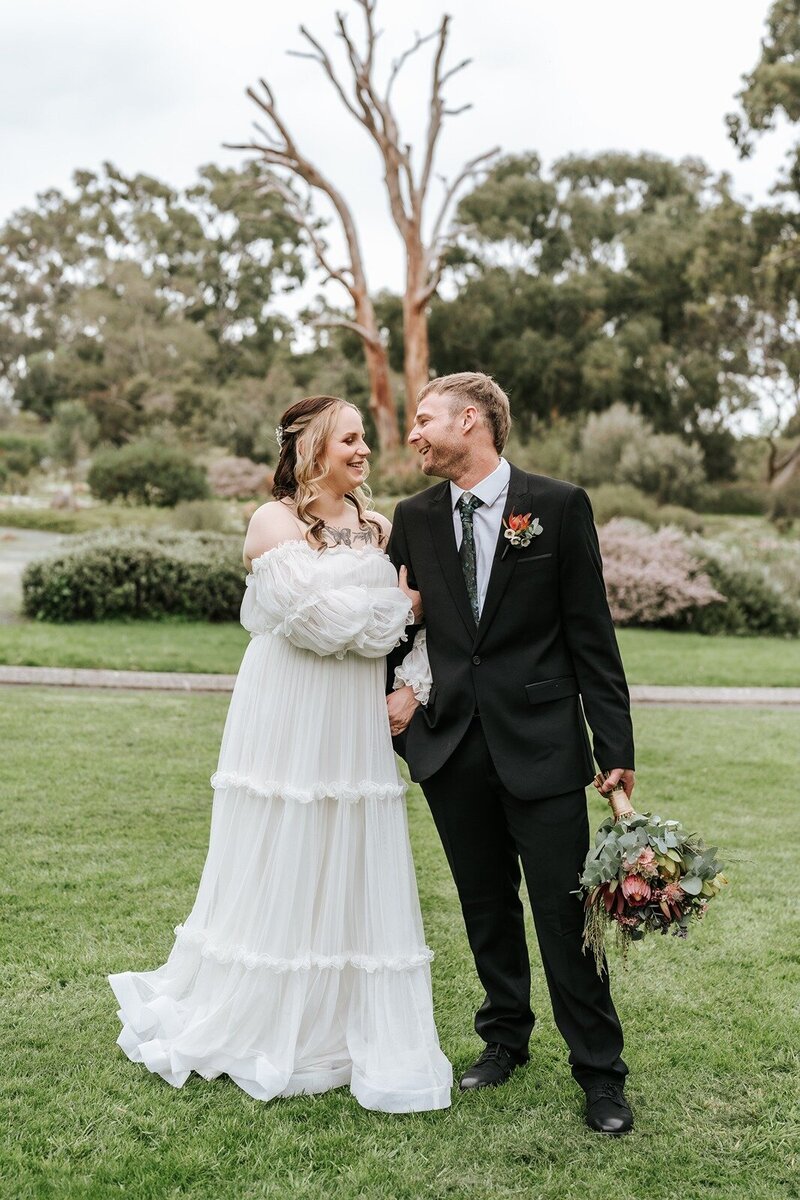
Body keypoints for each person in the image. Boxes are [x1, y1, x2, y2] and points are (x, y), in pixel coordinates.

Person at [109, 394, 452, 1113]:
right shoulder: (272, 522)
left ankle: (335, 1011)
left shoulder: (379, 525)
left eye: (364, 439)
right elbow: (316, 623)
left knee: (344, 846)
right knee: (283, 837)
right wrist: (402, 609)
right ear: (313, 449)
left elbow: (417, 625)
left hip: (352, 717)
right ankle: (266, 1007)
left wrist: (407, 655)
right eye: (349, 439)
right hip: (289, 707)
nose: (363, 451)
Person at [386, 372, 635, 1135]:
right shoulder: (414, 517)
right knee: (485, 904)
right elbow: (395, 627)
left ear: (472, 420)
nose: (413, 434)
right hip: (451, 747)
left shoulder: (557, 506)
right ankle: (503, 1039)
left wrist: (613, 749)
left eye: (424, 420)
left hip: (543, 748)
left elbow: (591, 634)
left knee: (567, 913)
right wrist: (399, 688)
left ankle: (600, 1074)